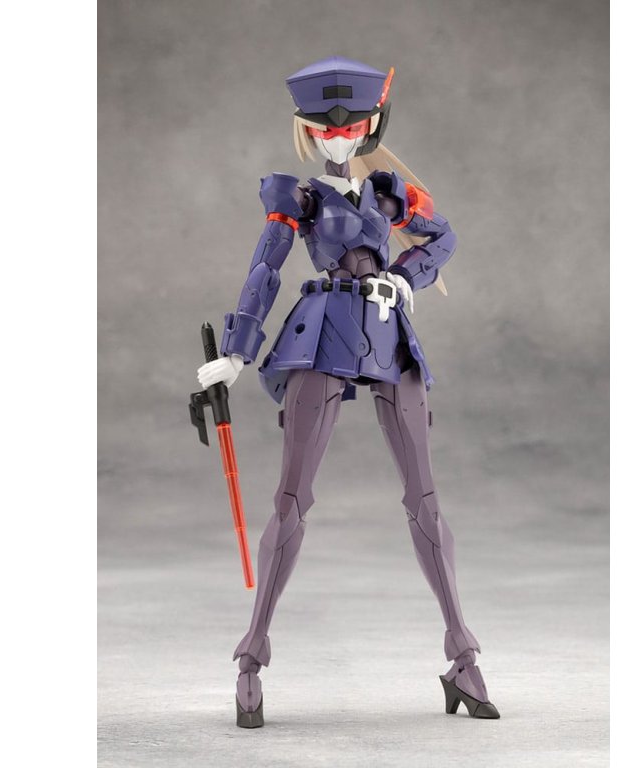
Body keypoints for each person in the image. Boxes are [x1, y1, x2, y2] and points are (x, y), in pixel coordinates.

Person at [196, 57, 500, 728]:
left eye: (352, 125)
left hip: (388, 336)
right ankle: (251, 657)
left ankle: (463, 654)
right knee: (292, 498)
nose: (338, 137)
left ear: (371, 125)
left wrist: (405, 277)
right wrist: (236, 352)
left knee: (425, 499)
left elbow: (443, 236)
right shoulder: (300, 199)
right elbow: (265, 270)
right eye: (324, 127)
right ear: (307, 129)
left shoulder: (389, 195)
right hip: (322, 333)